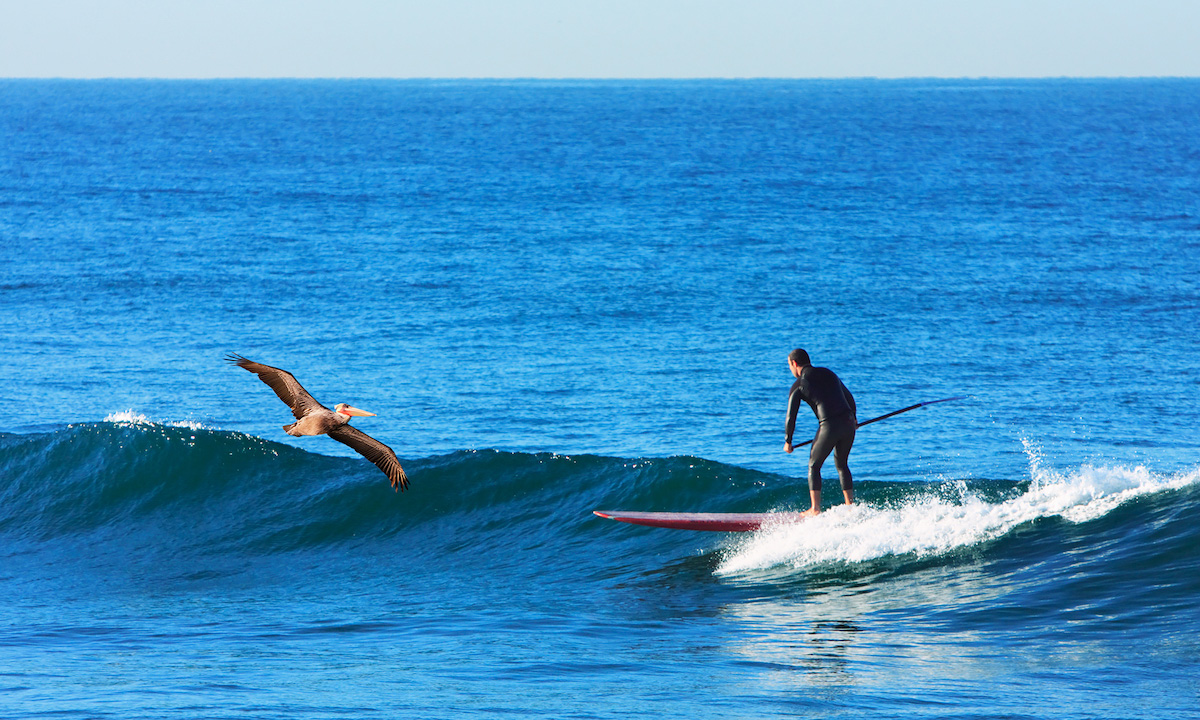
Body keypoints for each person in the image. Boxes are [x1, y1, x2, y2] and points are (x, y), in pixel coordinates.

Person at [784, 348, 857, 517]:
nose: (790, 370)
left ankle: (815, 509)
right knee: (842, 464)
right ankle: (850, 505)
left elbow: (791, 416)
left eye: (789, 366)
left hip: (829, 425)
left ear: (794, 363)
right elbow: (849, 396)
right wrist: (854, 418)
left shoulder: (799, 384)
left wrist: (788, 441)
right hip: (847, 423)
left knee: (814, 465)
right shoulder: (828, 373)